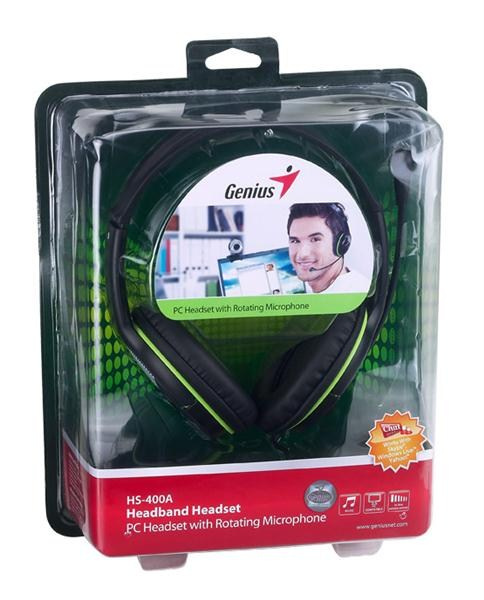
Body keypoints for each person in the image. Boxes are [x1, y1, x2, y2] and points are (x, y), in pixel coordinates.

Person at [287, 203, 370, 294]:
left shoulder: (359, 293)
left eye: (315, 239)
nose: (303, 254)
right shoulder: (295, 290)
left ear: (341, 244)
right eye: (295, 241)